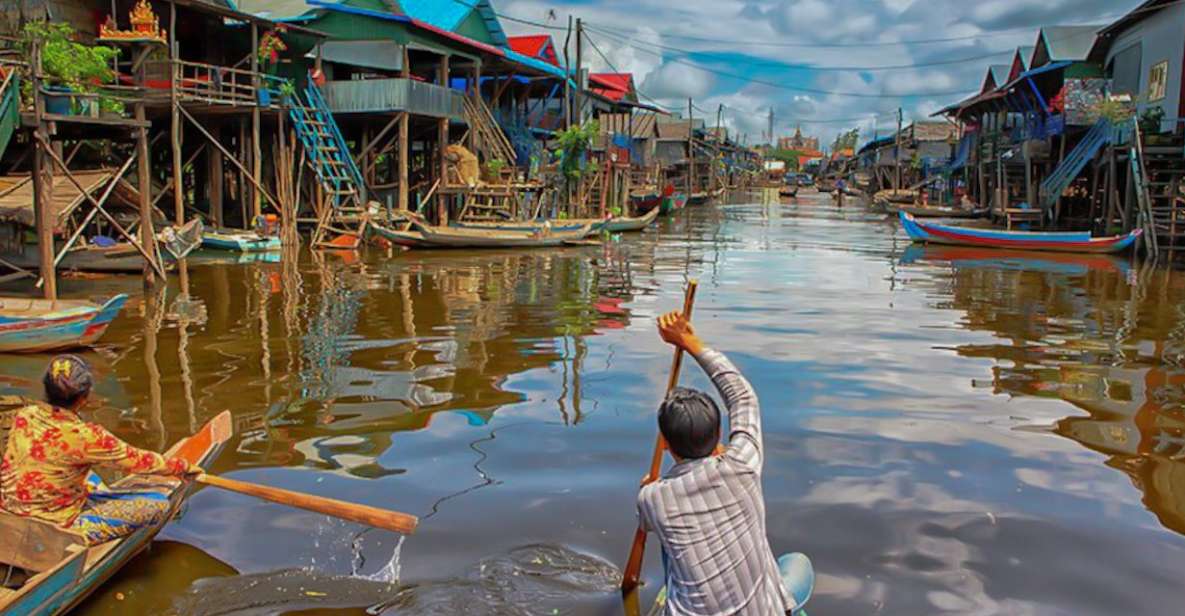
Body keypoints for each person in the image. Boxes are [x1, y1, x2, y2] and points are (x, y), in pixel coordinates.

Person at [638, 312, 814, 615]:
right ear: (719, 435)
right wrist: (689, 342)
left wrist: (651, 488)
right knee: (797, 565)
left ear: (665, 444)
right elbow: (743, 398)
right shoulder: (742, 463)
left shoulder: (652, 499)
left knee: (670, 545)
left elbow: (647, 520)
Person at [0, 355, 200, 545]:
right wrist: (182, 467)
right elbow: (139, 461)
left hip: (10, 510)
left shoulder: (25, 415)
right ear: (84, 398)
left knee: (87, 475)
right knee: (158, 505)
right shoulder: (87, 436)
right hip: (54, 525)